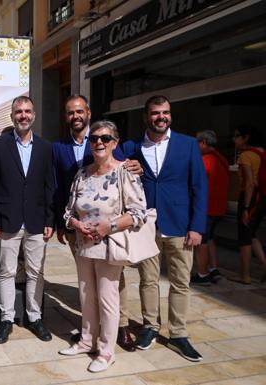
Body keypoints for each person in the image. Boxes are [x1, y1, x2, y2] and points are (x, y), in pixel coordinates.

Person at [52, 94, 141, 352]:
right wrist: (74, 226)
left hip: (110, 242)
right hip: (82, 242)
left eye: (104, 139)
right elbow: (66, 205)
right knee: (86, 294)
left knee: (108, 296)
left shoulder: (124, 168)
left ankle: (107, 349)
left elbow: (138, 211)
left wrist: (108, 227)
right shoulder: (81, 173)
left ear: (115, 143)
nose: (99, 142)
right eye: (95, 139)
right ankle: (87, 340)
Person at [123, 95, 207, 362]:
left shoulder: (188, 145)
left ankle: (179, 334)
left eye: (166, 113)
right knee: (148, 280)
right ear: (146, 116)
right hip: (146, 226)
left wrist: (197, 226)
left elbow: (199, 187)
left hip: (180, 225)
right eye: (156, 113)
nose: (162, 117)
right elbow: (105, 158)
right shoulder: (132, 146)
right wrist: (125, 165)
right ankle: (150, 326)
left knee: (180, 283)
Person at [0, 96, 54, 344]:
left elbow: (49, 187)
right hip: (7, 221)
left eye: (27, 111)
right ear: (12, 116)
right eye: (18, 111)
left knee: (36, 272)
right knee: (6, 272)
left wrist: (50, 219)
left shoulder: (45, 147)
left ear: (34, 115)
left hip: (36, 221)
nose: (23, 115)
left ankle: (35, 318)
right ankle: (6, 319)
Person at [191, 130, 229, 285]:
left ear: (204, 143)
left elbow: (195, 182)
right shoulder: (223, 159)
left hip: (207, 207)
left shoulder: (206, 160)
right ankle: (214, 269)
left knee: (202, 241)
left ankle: (202, 274)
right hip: (219, 206)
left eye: (197, 143)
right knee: (211, 238)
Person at [232, 125, 266, 284]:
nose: (234, 139)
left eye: (237, 135)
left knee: (244, 237)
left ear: (246, 138)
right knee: (251, 234)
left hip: (250, 198)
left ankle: (244, 276)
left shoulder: (246, 156)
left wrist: (245, 208)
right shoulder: (262, 153)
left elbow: (250, 183)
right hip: (263, 198)